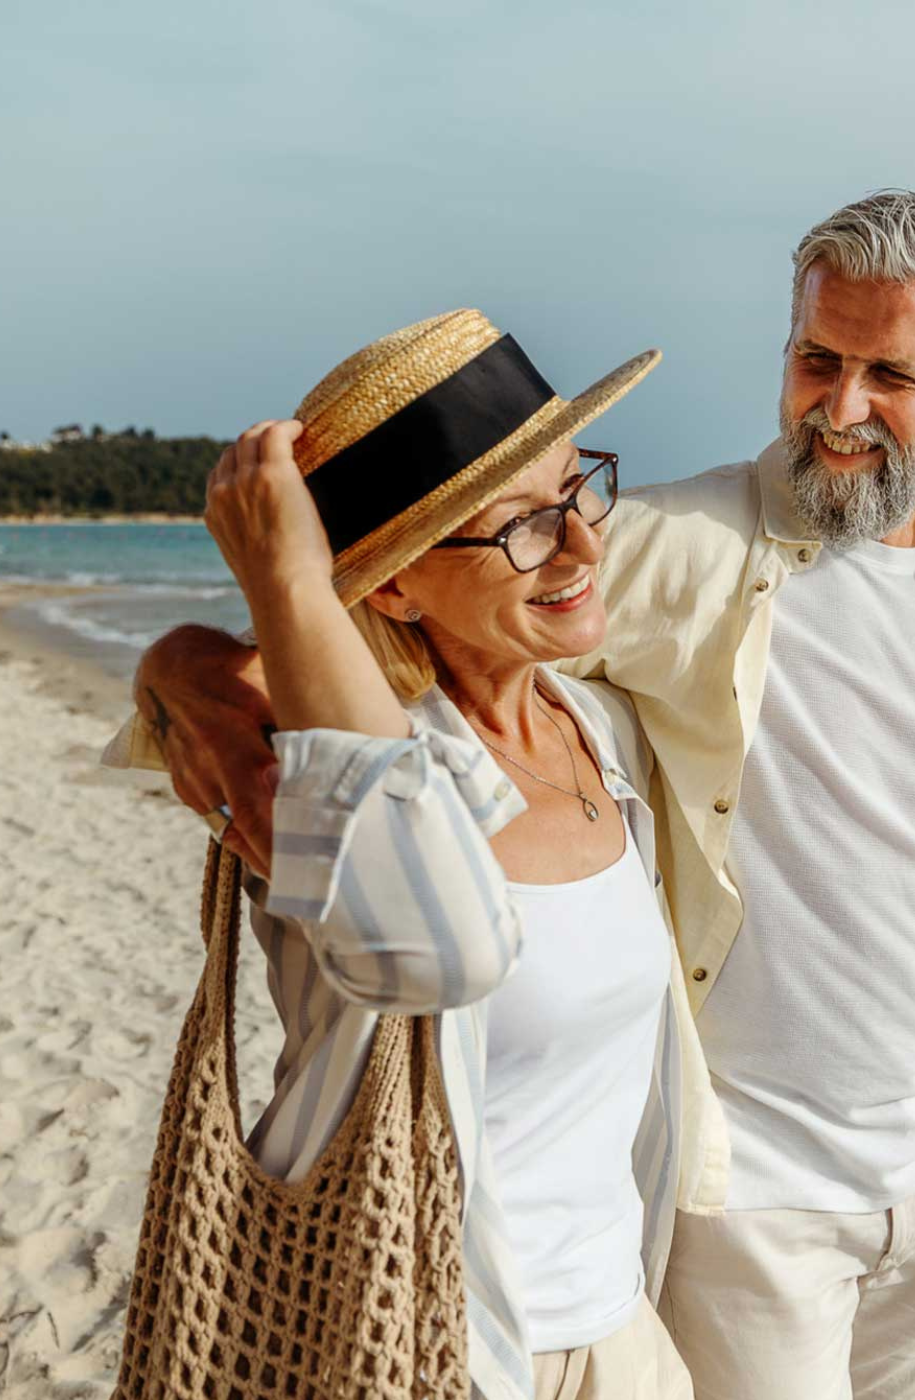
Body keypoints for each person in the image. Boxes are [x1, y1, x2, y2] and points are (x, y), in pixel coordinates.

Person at [130, 192, 915, 1400]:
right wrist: (179, 662)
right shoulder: (667, 544)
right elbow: (361, 647)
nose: (840, 409)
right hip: (757, 1189)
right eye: (816, 359)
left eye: (890, 373)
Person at [135, 310, 704, 1400]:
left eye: (579, 486)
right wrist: (284, 592)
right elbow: (436, 951)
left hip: (620, 1325)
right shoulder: (309, 777)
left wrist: (171, 657)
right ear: (391, 585)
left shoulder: (603, 734)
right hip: (415, 1330)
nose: (583, 541)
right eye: (519, 527)